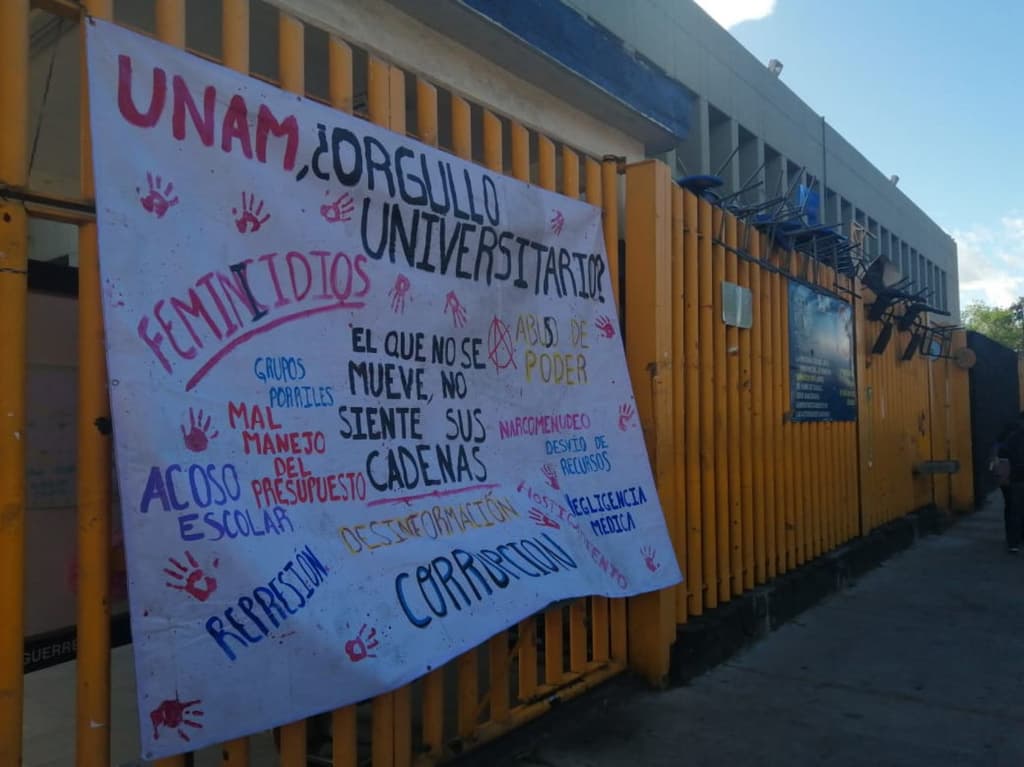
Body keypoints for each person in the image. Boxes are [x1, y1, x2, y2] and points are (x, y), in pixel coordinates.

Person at [997, 412, 1024, 552]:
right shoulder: (1015, 437)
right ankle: (1016, 539)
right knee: (1016, 510)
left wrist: (1004, 480)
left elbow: (1002, 458)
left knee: (1013, 509)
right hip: (1017, 479)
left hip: (1014, 479)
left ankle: (1013, 542)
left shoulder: (1009, 437)